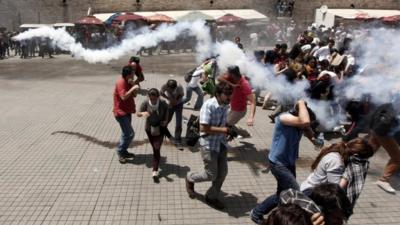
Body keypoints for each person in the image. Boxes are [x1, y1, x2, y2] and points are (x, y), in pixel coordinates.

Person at [251, 100, 319, 223]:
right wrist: (301, 102)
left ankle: (256, 213)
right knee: (296, 194)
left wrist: (315, 140)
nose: (307, 126)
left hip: (289, 163)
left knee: (281, 195)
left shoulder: (297, 121)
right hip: (278, 164)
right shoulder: (283, 117)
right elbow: (305, 122)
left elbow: (307, 128)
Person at [185, 82, 235, 210]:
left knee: (222, 173)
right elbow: (204, 128)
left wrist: (229, 130)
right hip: (209, 145)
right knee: (211, 174)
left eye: (231, 94)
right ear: (218, 94)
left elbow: (223, 123)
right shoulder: (208, 106)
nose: (230, 97)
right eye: (227, 94)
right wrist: (224, 130)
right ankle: (190, 177)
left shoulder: (225, 104)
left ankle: (211, 197)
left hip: (221, 143)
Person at [300, 137, 374, 196]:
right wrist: (347, 176)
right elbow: (335, 190)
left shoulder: (340, 152)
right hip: (311, 193)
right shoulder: (336, 162)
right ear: (356, 156)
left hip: (315, 189)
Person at [137, 88, 169, 181]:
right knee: (155, 148)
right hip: (149, 129)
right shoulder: (146, 102)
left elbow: (167, 110)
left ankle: (155, 170)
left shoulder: (163, 102)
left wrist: (166, 121)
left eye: (154, 99)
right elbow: (138, 113)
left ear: (158, 97)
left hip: (160, 128)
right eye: (151, 98)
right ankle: (156, 162)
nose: (152, 100)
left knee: (156, 148)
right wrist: (143, 113)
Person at [368, 104, 400, 193]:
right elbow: (387, 121)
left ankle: (350, 162)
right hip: (383, 133)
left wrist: (371, 129)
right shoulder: (395, 107)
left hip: (376, 130)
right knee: (397, 157)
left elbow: (374, 114)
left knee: (369, 150)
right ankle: (383, 180)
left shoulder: (388, 104)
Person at [113, 66, 140, 163]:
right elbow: (123, 97)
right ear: (128, 75)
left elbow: (135, 95)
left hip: (127, 111)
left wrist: (133, 86)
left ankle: (123, 151)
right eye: (133, 74)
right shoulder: (121, 83)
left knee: (126, 133)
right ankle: (120, 151)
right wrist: (133, 88)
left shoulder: (129, 82)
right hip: (121, 113)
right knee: (130, 134)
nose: (134, 76)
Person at [160, 79, 184, 148]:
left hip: (179, 104)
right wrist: (168, 98)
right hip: (170, 105)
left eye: (172, 90)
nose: (170, 91)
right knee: (167, 120)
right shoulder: (164, 86)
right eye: (169, 89)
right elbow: (161, 93)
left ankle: (177, 139)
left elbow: (182, 94)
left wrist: (176, 100)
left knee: (178, 122)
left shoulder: (179, 87)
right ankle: (163, 133)